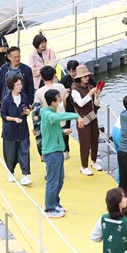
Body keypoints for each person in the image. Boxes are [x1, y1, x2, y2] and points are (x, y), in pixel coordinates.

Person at [41, 89, 84, 218]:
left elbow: (53, 128)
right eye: (58, 98)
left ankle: (55, 203)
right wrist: (76, 116)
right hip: (52, 152)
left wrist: (63, 131)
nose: (60, 100)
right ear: (53, 102)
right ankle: (49, 208)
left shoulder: (50, 112)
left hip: (57, 150)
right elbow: (56, 118)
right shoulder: (48, 114)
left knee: (60, 180)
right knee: (53, 181)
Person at [0, 75, 32, 186]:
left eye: (20, 84)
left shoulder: (24, 97)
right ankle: (11, 172)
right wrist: (13, 119)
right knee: (10, 153)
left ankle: (25, 175)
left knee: (24, 151)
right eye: (17, 84)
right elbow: (3, 115)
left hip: (23, 129)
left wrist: (27, 111)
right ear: (12, 86)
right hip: (10, 130)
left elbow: (27, 108)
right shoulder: (6, 100)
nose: (20, 86)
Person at [71, 65, 104, 176]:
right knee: (85, 142)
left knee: (95, 138)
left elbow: (95, 105)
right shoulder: (75, 89)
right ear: (80, 77)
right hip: (83, 117)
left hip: (92, 115)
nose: (87, 78)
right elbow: (80, 103)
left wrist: (97, 96)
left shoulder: (91, 87)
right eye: (85, 76)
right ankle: (83, 166)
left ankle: (94, 161)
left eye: (88, 76)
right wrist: (90, 94)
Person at [60, 60, 95, 160]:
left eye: (74, 71)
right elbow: (57, 93)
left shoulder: (86, 79)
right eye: (70, 71)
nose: (72, 74)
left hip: (84, 109)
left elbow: (96, 88)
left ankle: (90, 149)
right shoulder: (65, 80)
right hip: (69, 108)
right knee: (65, 127)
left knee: (88, 128)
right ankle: (65, 150)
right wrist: (64, 92)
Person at [34, 65, 67, 160]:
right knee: (60, 142)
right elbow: (64, 103)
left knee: (49, 144)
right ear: (54, 76)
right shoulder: (60, 87)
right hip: (61, 119)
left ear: (41, 77)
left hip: (47, 121)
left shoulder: (39, 92)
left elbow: (37, 109)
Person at [0, 46, 34, 115]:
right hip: (6, 101)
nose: (17, 59)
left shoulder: (26, 69)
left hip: (22, 102)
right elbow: (0, 84)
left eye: (18, 56)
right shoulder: (4, 69)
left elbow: (30, 87)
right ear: (9, 57)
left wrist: (30, 102)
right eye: (15, 57)